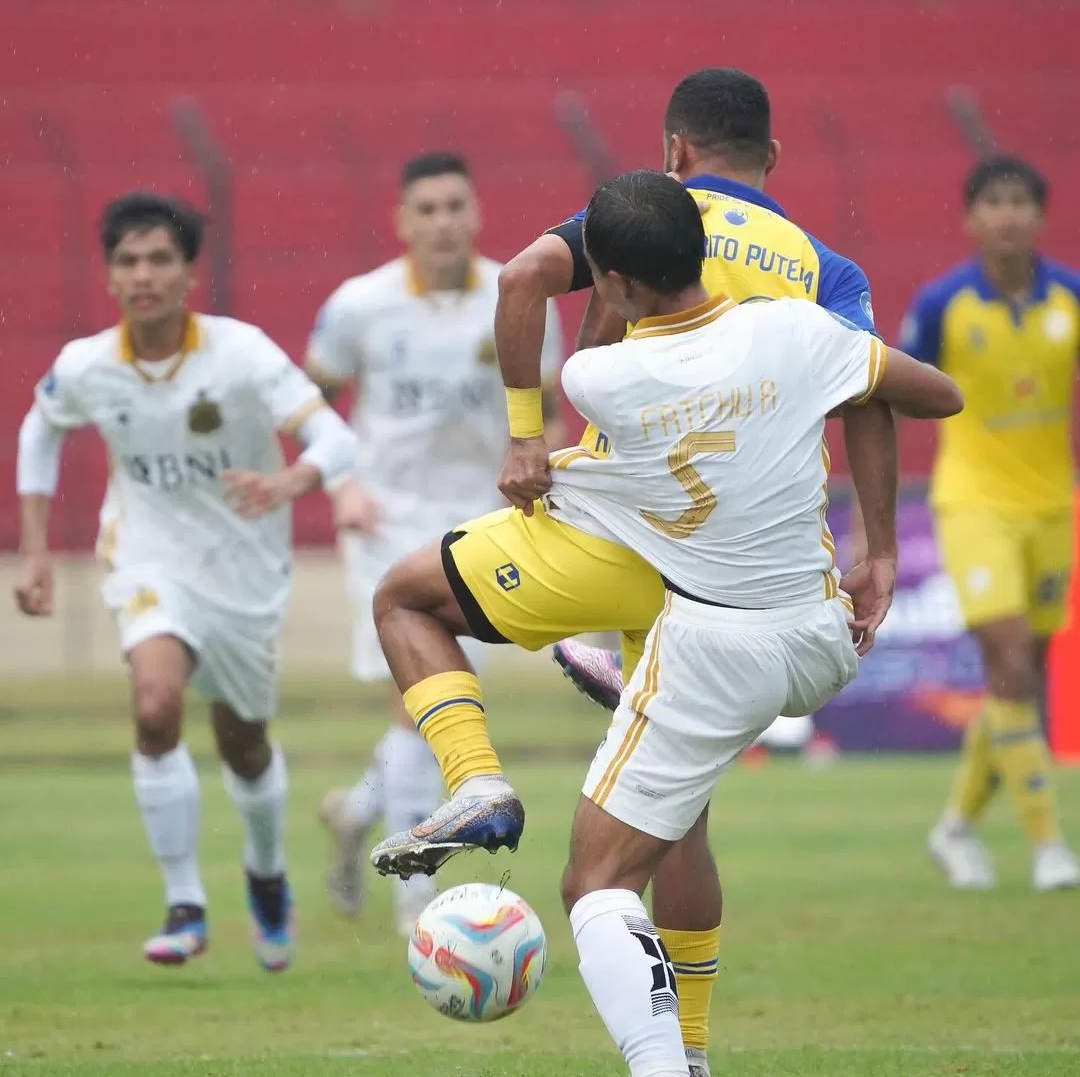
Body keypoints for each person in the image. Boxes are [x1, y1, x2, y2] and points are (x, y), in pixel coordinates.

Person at [371, 68, 899, 1075]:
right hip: (735, 576)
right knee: (674, 820)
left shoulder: (647, 216)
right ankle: (688, 1052)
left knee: (405, 596)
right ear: (773, 161)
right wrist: (877, 546)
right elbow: (874, 395)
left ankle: (477, 781)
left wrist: (532, 439)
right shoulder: (823, 269)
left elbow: (521, 277)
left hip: (613, 539)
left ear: (673, 151)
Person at [14, 192, 358, 969]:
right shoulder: (88, 366)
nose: (143, 275)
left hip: (243, 571)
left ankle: (266, 877)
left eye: (159, 259)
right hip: (146, 554)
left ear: (187, 272)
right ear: (109, 276)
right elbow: (40, 430)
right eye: (128, 261)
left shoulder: (241, 353)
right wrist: (35, 548)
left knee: (243, 745)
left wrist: (290, 481)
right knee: (156, 703)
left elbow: (333, 435)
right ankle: (185, 904)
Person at [305, 152, 563, 934]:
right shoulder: (359, 305)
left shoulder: (516, 294)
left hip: (479, 522)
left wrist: (536, 468)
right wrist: (340, 487)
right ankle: (417, 890)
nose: (443, 221)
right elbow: (310, 406)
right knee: (421, 701)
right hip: (385, 519)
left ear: (476, 213)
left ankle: (357, 811)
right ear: (403, 221)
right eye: (427, 209)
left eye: (456, 205)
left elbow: (548, 410)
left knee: (436, 702)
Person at [898, 155, 1080, 891]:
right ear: (971, 218)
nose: (1008, 215)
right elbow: (899, 386)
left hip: (1050, 505)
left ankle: (954, 828)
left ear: (1040, 215)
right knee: (1009, 661)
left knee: (1020, 677)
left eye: (1020, 202)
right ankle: (1049, 847)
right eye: (993, 202)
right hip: (972, 502)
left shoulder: (1069, 297)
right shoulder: (944, 304)